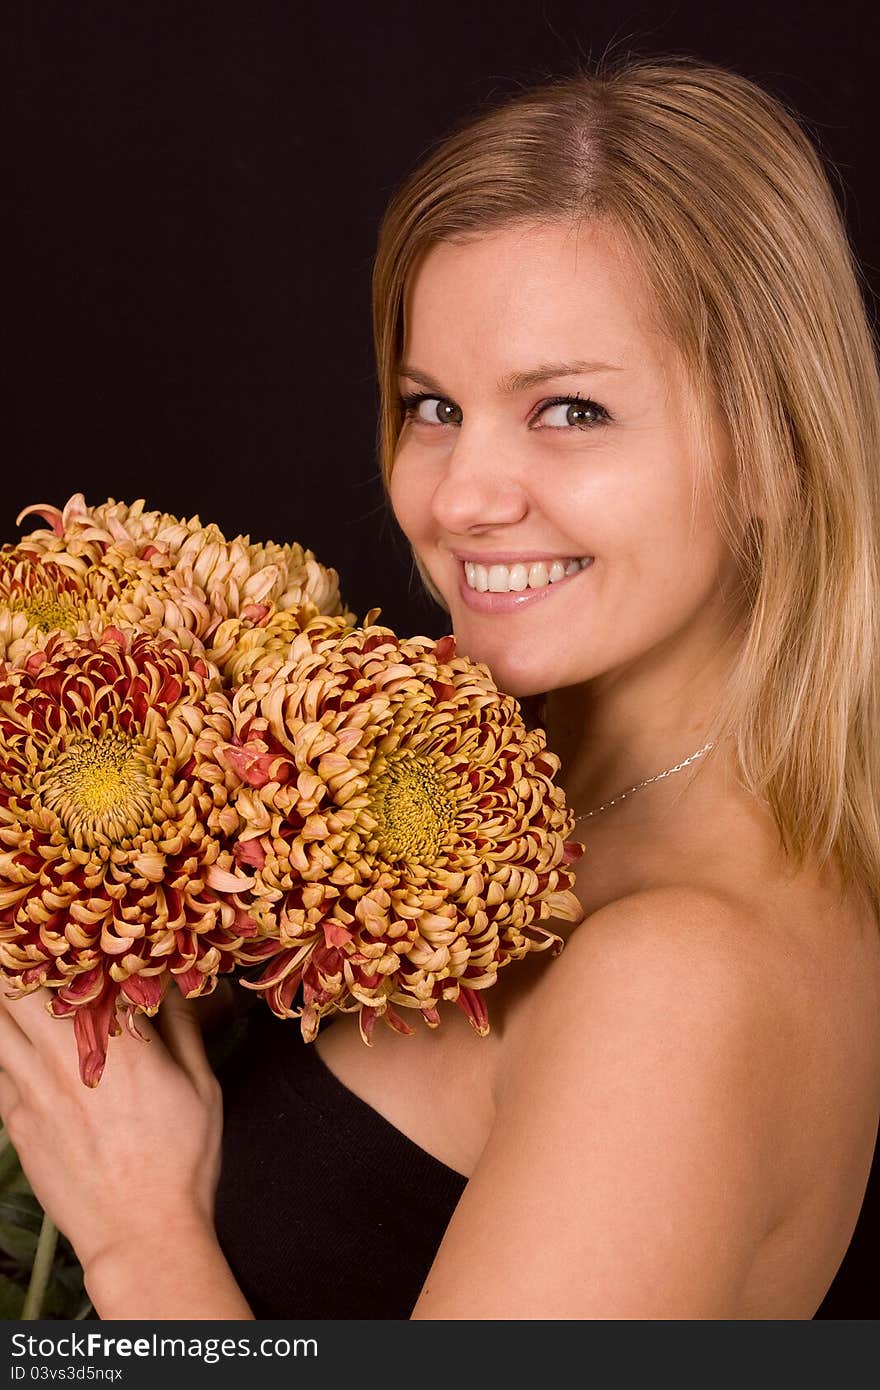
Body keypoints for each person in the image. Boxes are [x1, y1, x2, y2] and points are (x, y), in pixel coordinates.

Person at [1, 51, 879, 1321]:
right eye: (431, 405)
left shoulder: (680, 984)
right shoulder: (493, 794)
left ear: (775, 452)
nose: (460, 497)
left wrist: (140, 1234)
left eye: (569, 410)